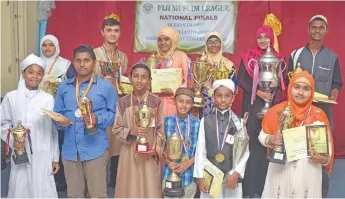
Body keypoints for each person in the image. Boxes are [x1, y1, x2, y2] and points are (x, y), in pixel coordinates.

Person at [287, 15, 342, 197]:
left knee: (320, 155)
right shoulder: (296, 55)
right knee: (296, 153)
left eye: (321, 28)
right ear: (308, 29)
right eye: (314, 27)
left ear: (326, 31)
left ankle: (320, 193)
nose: (317, 31)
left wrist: (332, 96)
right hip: (297, 113)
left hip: (322, 113)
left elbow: (336, 83)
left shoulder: (332, 57)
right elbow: (288, 82)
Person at [54, 45, 117, 198]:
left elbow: (114, 116)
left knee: (97, 195)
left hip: (95, 149)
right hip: (70, 151)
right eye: (78, 60)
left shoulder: (106, 87)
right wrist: (60, 122)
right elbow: (57, 115)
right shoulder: (63, 87)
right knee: (74, 195)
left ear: (94, 63)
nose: (82, 64)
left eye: (86, 60)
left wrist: (98, 119)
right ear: (73, 62)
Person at [259, 71, 334, 198]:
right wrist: (270, 140)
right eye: (297, 87)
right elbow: (262, 135)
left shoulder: (318, 114)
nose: (300, 92)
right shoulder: (276, 111)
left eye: (306, 89)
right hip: (280, 169)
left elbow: (328, 147)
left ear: (312, 92)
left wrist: (324, 159)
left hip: (308, 170)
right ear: (290, 88)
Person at [1, 54, 59, 197]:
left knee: (43, 187)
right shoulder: (11, 97)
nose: (35, 76)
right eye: (31, 72)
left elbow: (53, 131)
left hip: (43, 152)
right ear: (23, 73)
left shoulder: (48, 99)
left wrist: (55, 158)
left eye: (39, 73)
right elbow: (3, 123)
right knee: (21, 186)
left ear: (43, 76)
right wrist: (15, 138)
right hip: (21, 151)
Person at [238, 25, 286, 198]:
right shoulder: (248, 56)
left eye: (267, 37)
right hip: (252, 106)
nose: (263, 40)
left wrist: (274, 101)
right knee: (250, 145)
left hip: (270, 106)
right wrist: (257, 91)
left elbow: (281, 84)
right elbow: (240, 80)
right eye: (260, 37)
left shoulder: (278, 58)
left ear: (271, 39)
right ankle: (249, 189)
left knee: (266, 144)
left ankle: (264, 189)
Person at [112, 63, 164, 198]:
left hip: (149, 153)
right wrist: (131, 131)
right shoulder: (122, 102)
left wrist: (155, 149)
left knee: (150, 189)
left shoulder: (156, 102)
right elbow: (116, 129)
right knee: (129, 189)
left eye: (144, 77)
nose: (139, 80)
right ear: (130, 78)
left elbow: (160, 130)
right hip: (129, 153)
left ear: (149, 80)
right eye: (136, 76)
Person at [194, 79, 250, 198]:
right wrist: (200, 176)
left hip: (231, 174)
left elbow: (245, 151)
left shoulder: (239, 122)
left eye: (227, 96)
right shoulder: (206, 120)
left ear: (233, 98)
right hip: (210, 173)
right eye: (219, 96)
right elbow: (200, 149)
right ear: (213, 97)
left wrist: (236, 174)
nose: (223, 100)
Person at [93, 13, 128, 188]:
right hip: (99, 107)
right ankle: (97, 185)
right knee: (101, 143)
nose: (113, 34)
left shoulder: (123, 57)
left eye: (116, 31)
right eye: (109, 30)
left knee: (118, 143)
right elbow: (87, 80)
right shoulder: (94, 54)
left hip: (118, 104)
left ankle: (115, 183)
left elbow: (124, 81)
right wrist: (101, 81)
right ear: (102, 32)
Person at [39, 34, 76, 192]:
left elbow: (74, 84)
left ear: (57, 47)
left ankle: (61, 180)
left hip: (59, 109)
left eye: (51, 45)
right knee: (41, 141)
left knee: (59, 143)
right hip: (39, 110)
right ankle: (40, 176)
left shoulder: (65, 64)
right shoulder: (35, 63)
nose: (47, 48)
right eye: (45, 45)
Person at [162, 87, 200, 198]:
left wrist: (188, 163)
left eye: (188, 102)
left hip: (188, 176)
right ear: (174, 101)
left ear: (192, 104)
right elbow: (161, 145)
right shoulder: (166, 121)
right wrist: (168, 161)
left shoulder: (197, 124)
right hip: (169, 173)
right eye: (180, 101)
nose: (184, 105)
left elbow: (201, 150)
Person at [153, 26, 190, 118]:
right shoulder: (153, 58)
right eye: (160, 40)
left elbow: (188, 81)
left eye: (166, 39)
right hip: (155, 103)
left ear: (173, 40)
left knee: (173, 131)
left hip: (175, 103)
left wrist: (173, 91)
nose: (163, 43)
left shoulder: (181, 56)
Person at [198, 32, 237, 117]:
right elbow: (194, 83)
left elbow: (234, 86)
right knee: (205, 126)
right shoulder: (201, 62)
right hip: (204, 101)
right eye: (210, 42)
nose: (213, 44)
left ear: (221, 44)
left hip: (222, 100)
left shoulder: (229, 64)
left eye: (216, 41)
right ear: (206, 44)